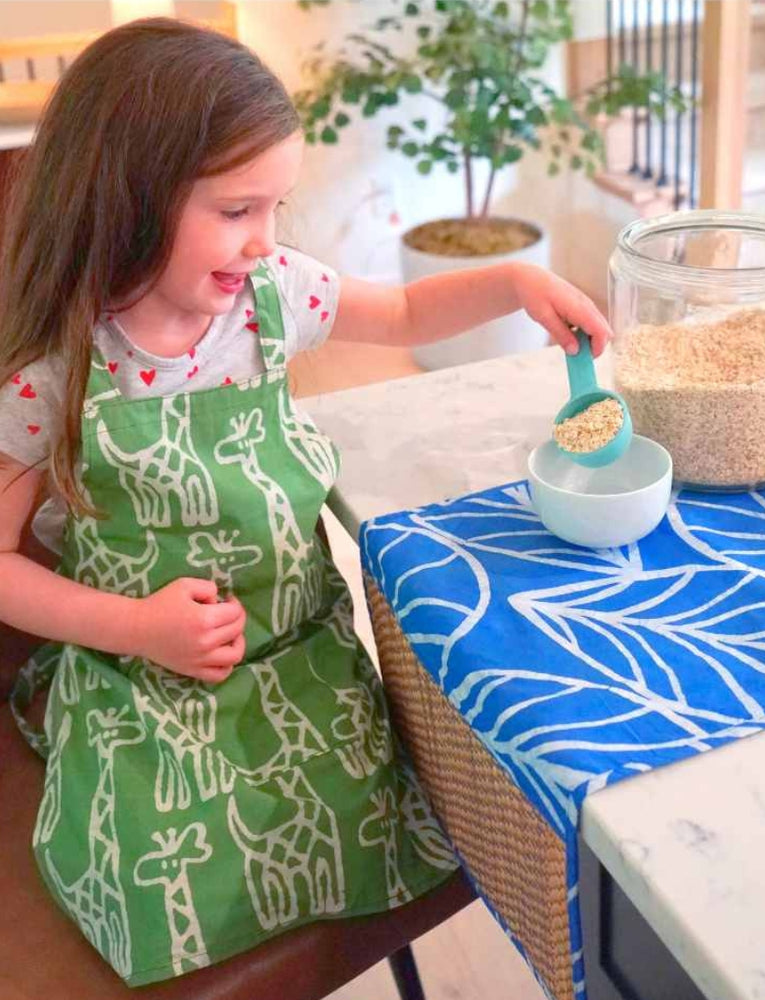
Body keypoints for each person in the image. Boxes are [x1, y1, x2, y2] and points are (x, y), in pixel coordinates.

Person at [0, 17, 612, 988]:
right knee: (172, 874)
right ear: (128, 201)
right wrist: (135, 627)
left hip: (301, 659)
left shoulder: (270, 296)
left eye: (276, 207)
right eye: (239, 210)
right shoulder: (58, 370)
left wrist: (515, 282)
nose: (264, 241)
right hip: (148, 680)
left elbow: (405, 312)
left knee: (384, 818)